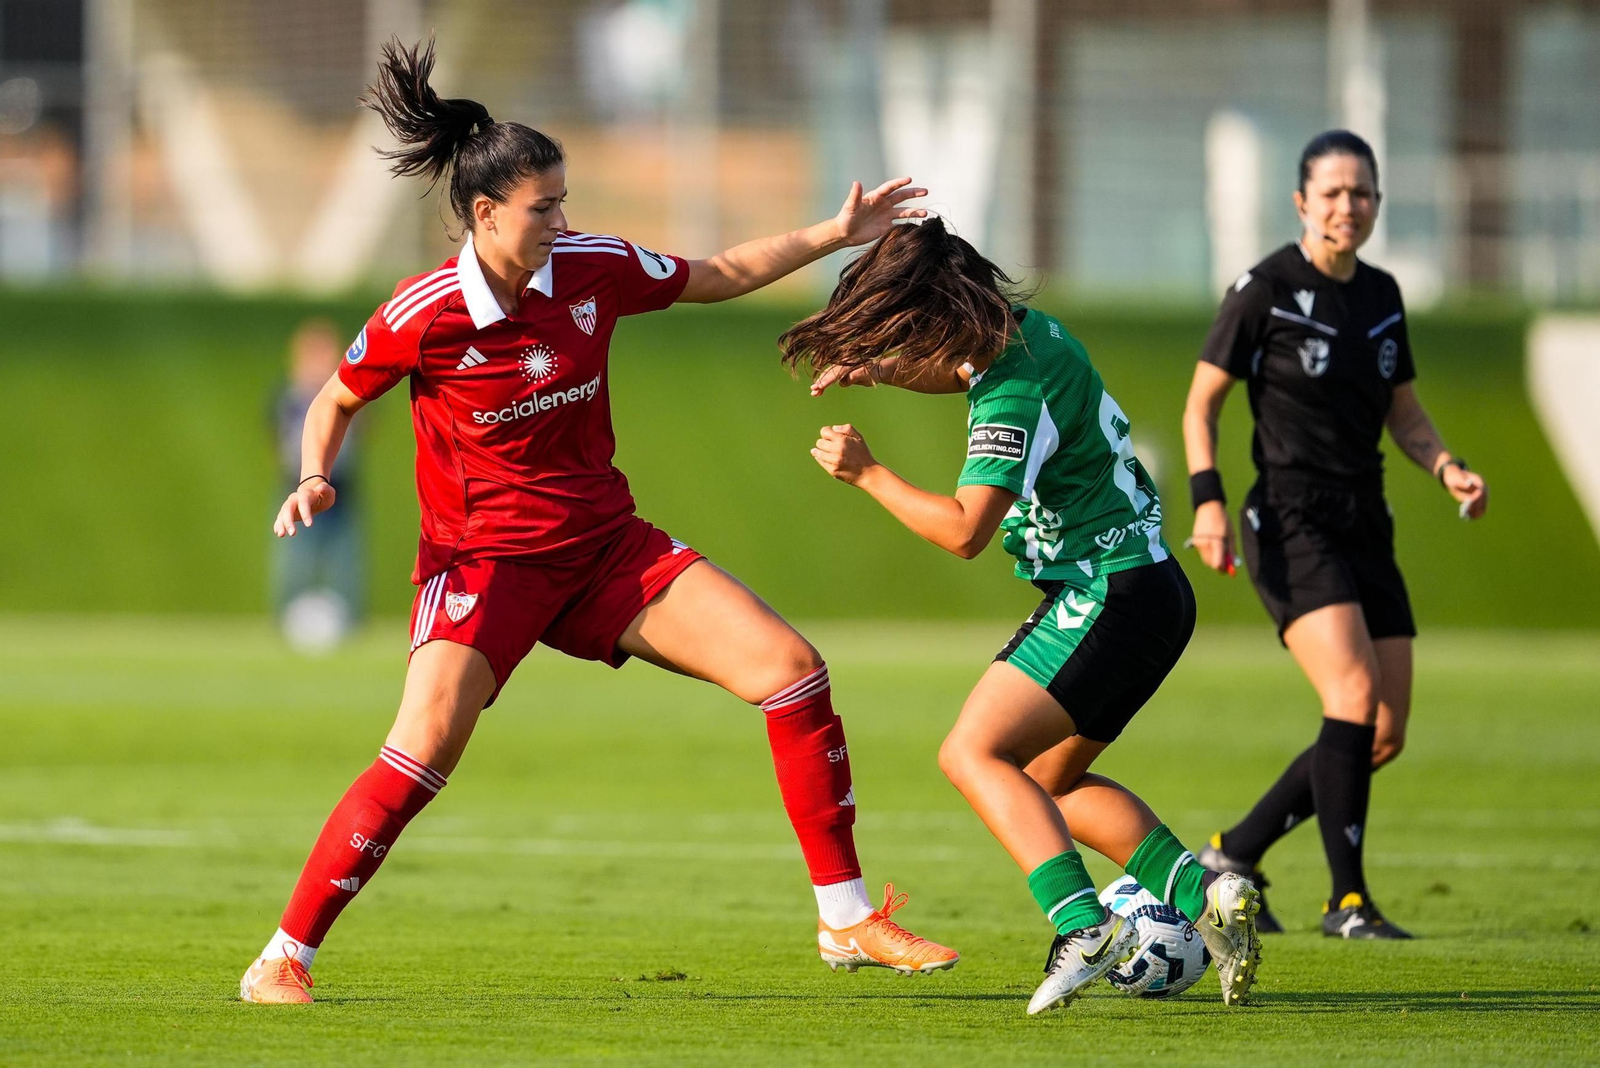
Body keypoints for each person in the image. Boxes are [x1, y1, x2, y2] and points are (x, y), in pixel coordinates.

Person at [239, 37, 957, 1004]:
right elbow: (333, 397)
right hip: (484, 568)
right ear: (486, 213)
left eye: (565, 200)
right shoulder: (421, 313)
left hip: (605, 550)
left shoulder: (592, 268)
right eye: (546, 207)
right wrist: (314, 476)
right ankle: (284, 956)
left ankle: (844, 917)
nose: (563, 221)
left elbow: (720, 269)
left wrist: (836, 233)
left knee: (792, 673)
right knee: (418, 753)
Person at [779, 217, 1261, 1015]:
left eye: (906, 327)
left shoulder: (1010, 389)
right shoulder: (1031, 335)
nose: (909, 346)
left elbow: (967, 530)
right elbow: (958, 367)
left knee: (972, 754)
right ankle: (1207, 895)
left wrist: (868, 475)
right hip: (1152, 589)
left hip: (1106, 593)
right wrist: (882, 372)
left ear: (940, 312)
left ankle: (1084, 925)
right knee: (1049, 780)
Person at [1182, 129, 1489, 939]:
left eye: (1362, 194)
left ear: (1378, 204)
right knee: (1350, 700)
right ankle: (1346, 901)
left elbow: (1406, 415)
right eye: (1332, 194)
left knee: (1381, 731)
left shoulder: (1382, 294)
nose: (1347, 207)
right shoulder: (1265, 289)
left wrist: (1446, 465)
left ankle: (1232, 853)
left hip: (1365, 519)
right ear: (1301, 202)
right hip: (1287, 516)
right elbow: (1200, 405)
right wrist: (1207, 503)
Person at [271, 318, 365, 650]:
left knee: (345, 561)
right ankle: (287, 618)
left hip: (341, 487)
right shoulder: (290, 396)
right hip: (298, 487)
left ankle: (351, 620)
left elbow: (363, 429)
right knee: (295, 559)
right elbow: (277, 434)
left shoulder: (347, 393)